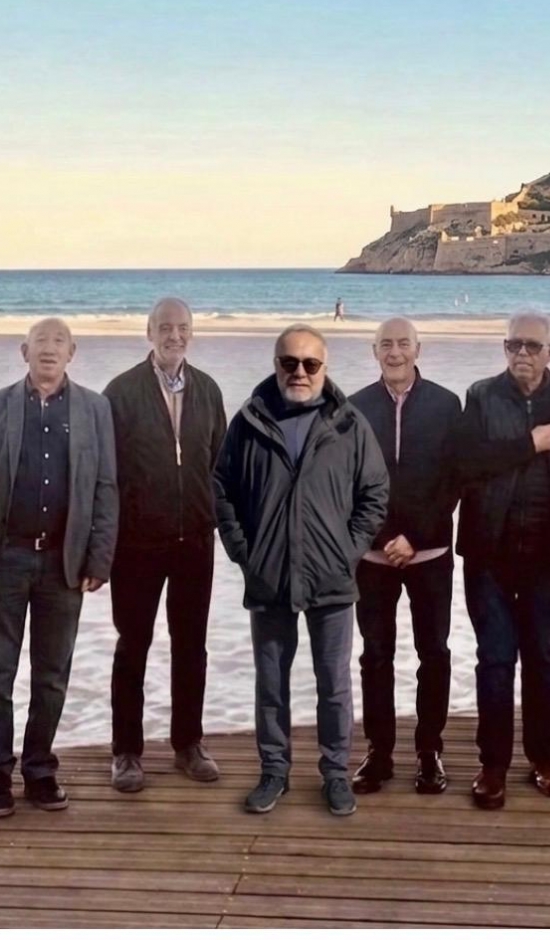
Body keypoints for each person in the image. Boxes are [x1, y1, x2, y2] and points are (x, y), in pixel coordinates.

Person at [214, 324, 388, 817]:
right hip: (269, 577)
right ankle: (274, 771)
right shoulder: (249, 421)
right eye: (289, 362)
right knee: (271, 685)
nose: (300, 373)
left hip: (331, 579)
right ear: (276, 365)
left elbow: (375, 494)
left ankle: (335, 774)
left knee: (334, 685)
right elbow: (222, 489)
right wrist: (245, 553)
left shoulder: (349, 424)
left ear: (324, 368)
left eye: (311, 364)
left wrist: (347, 551)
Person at [0, 318, 118, 818]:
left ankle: (39, 770)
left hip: (64, 561)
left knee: (52, 675)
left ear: (72, 352)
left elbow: (106, 486)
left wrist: (99, 556)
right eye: (40, 342)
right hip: (4, 560)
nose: (49, 349)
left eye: (59, 342)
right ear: (24, 351)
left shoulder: (95, 409)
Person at [456, 310, 550, 810]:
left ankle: (543, 757)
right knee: (494, 659)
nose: (523, 354)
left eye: (533, 346)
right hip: (489, 554)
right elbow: (465, 464)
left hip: (547, 556)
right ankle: (493, 765)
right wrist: (527, 445)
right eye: (515, 345)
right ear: (504, 349)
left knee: (542, 658)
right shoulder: (481, 396)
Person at [104, 298, 227, 793]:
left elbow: (219, 465)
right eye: (165, 327)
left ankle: (188, 744)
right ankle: (126, 752)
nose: (174, 335)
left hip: (194, 540)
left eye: (182, 328)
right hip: (136, 544)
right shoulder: (121, 392)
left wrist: (220, 524)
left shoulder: (208, 389)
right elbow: (107, 474)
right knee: (132, 645)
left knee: (191, 645)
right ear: (149, 332)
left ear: (192, 333)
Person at [348, 318, 462, 795]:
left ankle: (429, 751)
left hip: (429, 552)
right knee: (376, 655)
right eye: (386, 345)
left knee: (433, 653)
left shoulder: (445, 404)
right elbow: (349, 484)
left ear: (418, 349)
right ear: (374, 351)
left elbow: (453, 481)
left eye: (403, 344)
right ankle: (379, 752)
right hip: (373, 558)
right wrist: (382, 537)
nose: (394, 353)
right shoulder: (354, 407)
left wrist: (413, 536)